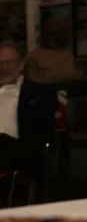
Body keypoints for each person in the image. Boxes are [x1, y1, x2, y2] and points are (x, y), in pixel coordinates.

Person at [0, 42, 58, 178]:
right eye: (0, 63)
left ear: (20, 65)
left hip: (16, 146)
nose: (3, 68)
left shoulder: (38, 92)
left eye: (8, 63)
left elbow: (43, 129)